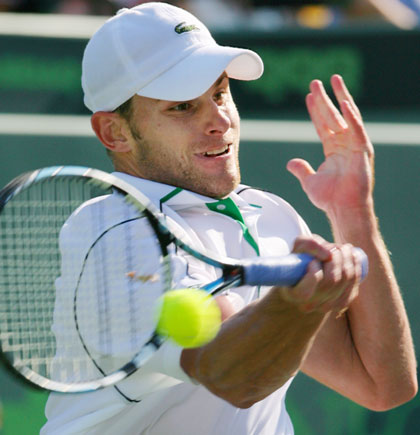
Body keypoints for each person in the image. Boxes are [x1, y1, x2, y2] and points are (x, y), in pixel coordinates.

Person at [41, 2, 417, 434]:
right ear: (115, 132)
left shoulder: (271, 215)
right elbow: (232, 377)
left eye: (220, 94)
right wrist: (295, 306)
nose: (220, 120)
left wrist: (353, 213)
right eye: (182, 107)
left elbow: (383, 385)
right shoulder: (112, 233)